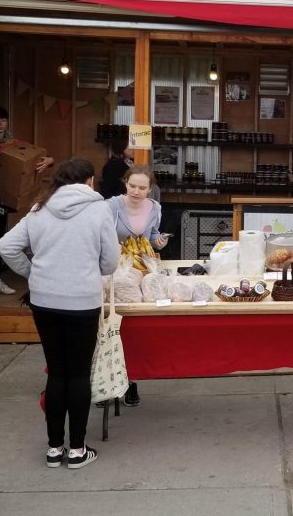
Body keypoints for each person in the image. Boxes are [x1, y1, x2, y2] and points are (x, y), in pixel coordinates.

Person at [0, 158, 120, 469]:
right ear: (90, 181)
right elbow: (110, 262)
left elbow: (6, 247)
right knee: (79, 374)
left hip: (44, 301)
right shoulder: (99, 209)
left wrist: (33, 273)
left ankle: (54, 449)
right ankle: (77, 450)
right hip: (82, 301)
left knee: (57, 371)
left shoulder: (40, 209)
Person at [105, 166, 168, 407]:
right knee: (110, 327)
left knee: (134, 329)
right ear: (125, 183)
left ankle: (131, 382)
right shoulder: (111, 206)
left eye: (142, 187)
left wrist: (159, 242)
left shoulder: (155, 207)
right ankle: (106, 384)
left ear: (150, 189)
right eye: (132, 186)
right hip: (114, 270)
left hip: (141, 271)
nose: (137, 191)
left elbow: (151, 237)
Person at [0, 106, 55, 297]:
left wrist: (49, 160)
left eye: (3, 120)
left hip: (4, 200)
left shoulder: (13, 142)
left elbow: (37, 157)